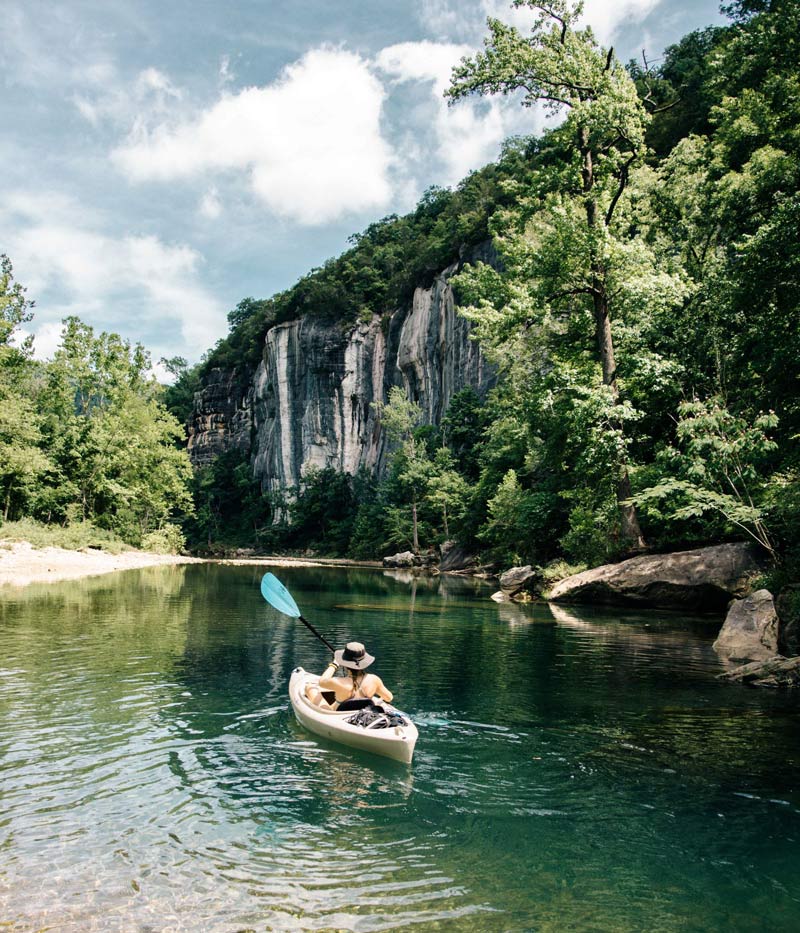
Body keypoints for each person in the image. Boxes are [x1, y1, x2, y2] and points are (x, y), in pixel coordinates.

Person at [305, 641, 393, 710]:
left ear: (345, 664)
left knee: (309, 688)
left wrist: (334, 664)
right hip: (364, 712)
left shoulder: (339, 682)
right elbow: (389, 697)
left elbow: (322, 682)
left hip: (338, 714)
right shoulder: (374, 680)